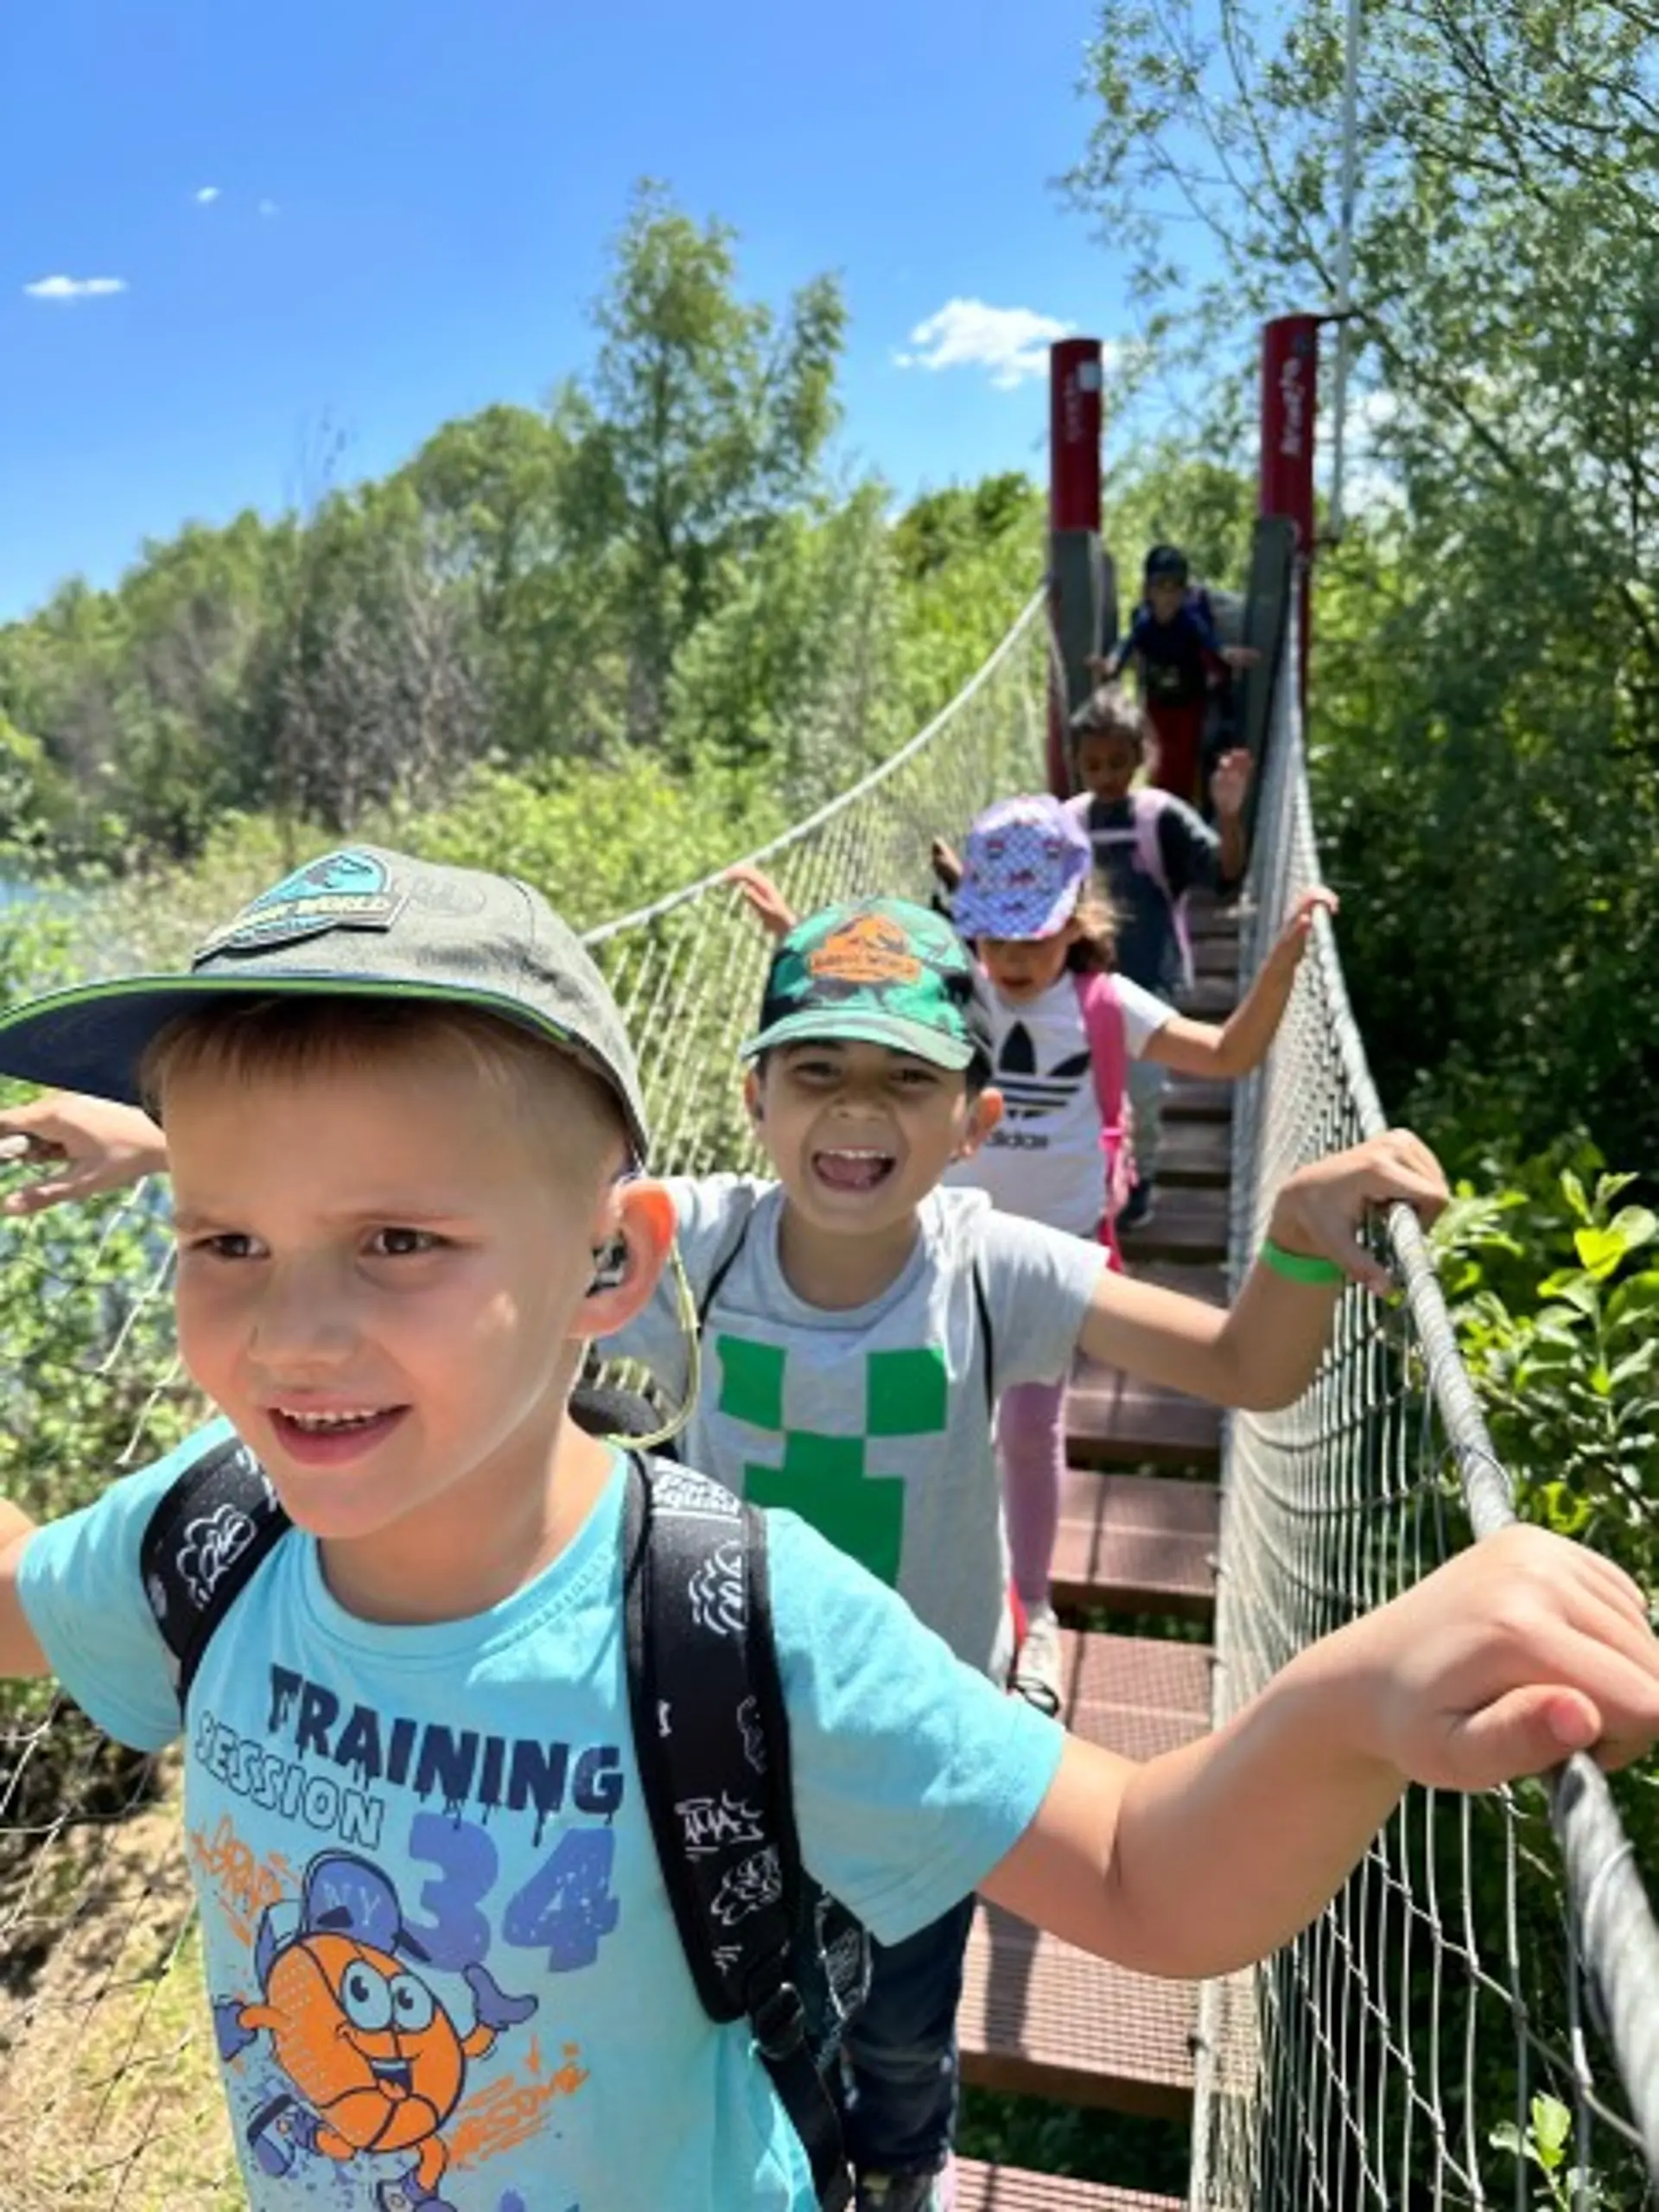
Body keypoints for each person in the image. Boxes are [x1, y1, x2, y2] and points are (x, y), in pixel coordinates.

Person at [2, 850, 1656, 2212]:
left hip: (798, 1700)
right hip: (714, 1759)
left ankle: (901, 2164)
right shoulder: (205, 1544)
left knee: (889, 2018)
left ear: (611, 1268)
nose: (291, 1336)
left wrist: (1348, 1704)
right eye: (222, 1240)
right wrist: (181, 1155)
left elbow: (1150, 1872)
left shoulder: (859, 1473)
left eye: (394, 1242)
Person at [734, 815, 1332, 1724]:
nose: (1012, 958)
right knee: (941, 1431)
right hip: (919, 1238)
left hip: (1045, 1249)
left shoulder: (1106, 1005)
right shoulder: (956, 992)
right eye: (996, 936)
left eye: (1036, 934)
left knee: (1028, 1431)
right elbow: (860, 999)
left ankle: (1033, 1604)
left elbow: (1226, 1055)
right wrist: (791, 936)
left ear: (1075, 922)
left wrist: (1282, 965)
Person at [1063, 682, 1253, 1230]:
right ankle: (1096, 1180)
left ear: (1141, 757)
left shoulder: (1160, 816)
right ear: (1077, 765)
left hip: (1149, 985)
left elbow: (1224, 876)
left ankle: (1140, 1174)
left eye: (1119, 762)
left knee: (1142, 1093)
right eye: (1093, 765)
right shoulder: (1068, 822)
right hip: (1082, 987)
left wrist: (1229, 816)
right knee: (1083, 1091)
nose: (1106, 776)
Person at [1090, 544, 1256, 806]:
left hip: (1190, 702)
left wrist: (1229, 655)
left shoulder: (1189, 620)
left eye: (1175, 587)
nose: (1168, 596)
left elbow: (1211, 642)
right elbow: (1126, 645)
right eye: (1160, 586)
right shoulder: (1144, 622)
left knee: (1187, 760)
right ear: (1148, 590)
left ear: (1184, 592)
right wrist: (1110, 665)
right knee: (1160, 760)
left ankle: (1184, 810)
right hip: (1158, 703)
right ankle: (1160, 810)